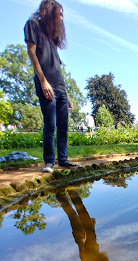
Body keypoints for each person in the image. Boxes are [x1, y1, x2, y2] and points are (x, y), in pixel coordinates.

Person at [24, 0, 78, 172]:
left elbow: (57, 67)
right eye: (59, 14)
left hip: (60, 87)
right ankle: (49, 162)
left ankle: (63, 159)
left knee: (64, 125)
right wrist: (43, 80)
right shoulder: (33, 25)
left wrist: (66, 94)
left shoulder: (53, 38)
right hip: (46, 84)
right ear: (50, 11)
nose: (61, 18)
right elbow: (31, 53)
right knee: (51, 124)